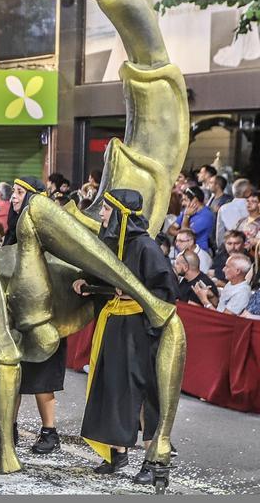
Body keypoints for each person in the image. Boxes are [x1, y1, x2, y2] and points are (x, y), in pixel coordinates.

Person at [73, 188, 178, 483]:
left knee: (143, 392)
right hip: (114, 324)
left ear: (121, 213)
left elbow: (165, 291)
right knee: (112, 386)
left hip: (139, 329)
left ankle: (155, 462)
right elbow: (105, 276)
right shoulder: (112, 243)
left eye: (106, 209)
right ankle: (116, 452)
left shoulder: (146, 246)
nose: (102, 214)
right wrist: (86, 281)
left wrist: (134, 292)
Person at [0, 176, 65, 455]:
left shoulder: (48, 231)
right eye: (14, 192)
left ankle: (50, 432)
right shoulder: (12, 231)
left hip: (42, 316)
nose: (14, 197)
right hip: (12, 316)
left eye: (19, 192)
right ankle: (8, 428)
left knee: (42, 379)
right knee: (10, 375)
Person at [168, 185, 214, 253]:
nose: (183, 203)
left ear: (195, 200)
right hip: (182, 252)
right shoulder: (186, 211)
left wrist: (186, 216)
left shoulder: (206, 215)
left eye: (185, 200)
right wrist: (179, 233)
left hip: (197, 253)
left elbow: (185, 235)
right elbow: (170, 229)